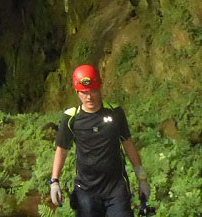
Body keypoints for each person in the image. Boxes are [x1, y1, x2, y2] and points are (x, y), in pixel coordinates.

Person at [50, 65, 151, 217]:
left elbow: (128, 144)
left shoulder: (115, 112)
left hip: (115, 189)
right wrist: (54, 181)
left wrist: (142, 178)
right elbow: (61, 150)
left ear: (100, 88)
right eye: (84, 92)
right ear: (77, 92)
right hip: (85, 191)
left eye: (93, 91)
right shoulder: (71, 118)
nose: (89, 97)